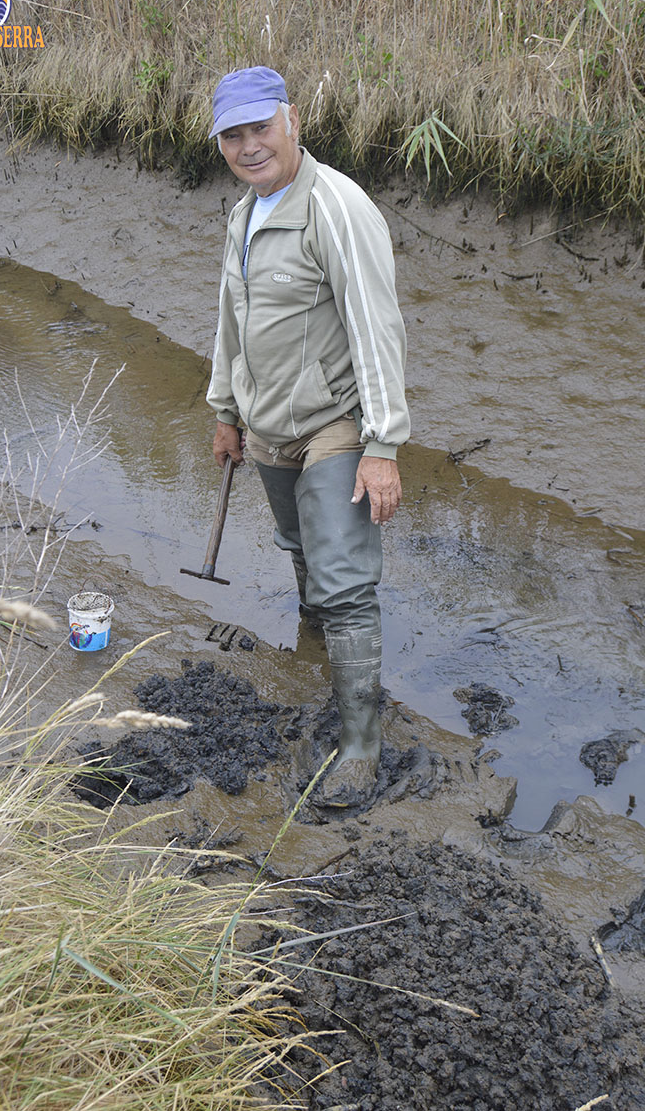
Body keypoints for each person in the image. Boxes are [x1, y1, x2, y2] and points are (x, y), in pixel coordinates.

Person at [206, 66, 410, 807]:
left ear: (292, 121)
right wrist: (225, 410)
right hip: (267, 425)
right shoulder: (245, 215)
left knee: (346, 584)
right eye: (233, 134)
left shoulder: (337, 208)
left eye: (261, 127)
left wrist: (383, 445)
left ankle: (359, 741)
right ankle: (315, 655)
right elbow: (231, 321)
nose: (249, 145)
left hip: (334, 421)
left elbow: (376, 328)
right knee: (301, 553)